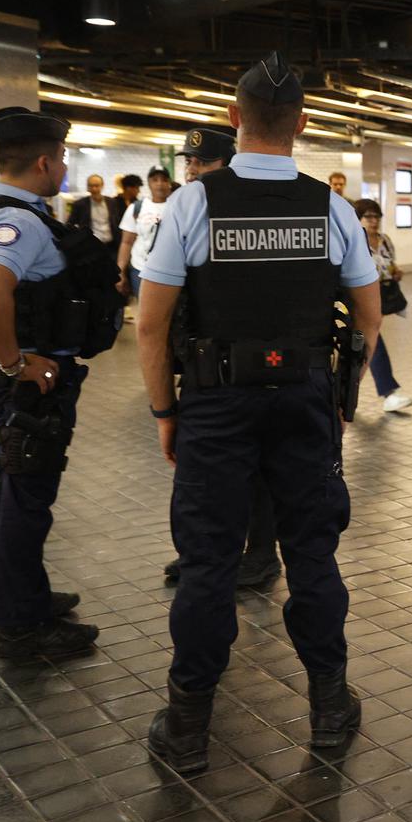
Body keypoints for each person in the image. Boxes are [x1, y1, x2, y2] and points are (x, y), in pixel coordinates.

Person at [137, 53, 381, 774]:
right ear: (302, 125)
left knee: (210, 560)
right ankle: (330, 707)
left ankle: (187, 728)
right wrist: (339, 400)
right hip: (303, 398)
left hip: (214, 400)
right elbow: (366, 317)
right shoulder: (331, 206)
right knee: (311, 552)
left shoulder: (191, 203)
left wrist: (164, 411)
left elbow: (152, 326)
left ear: (234, 120)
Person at [0, 107, 124, 659]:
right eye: (64, 159)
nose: (66, 168)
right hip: (30, 386)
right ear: (45, 161)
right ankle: (23, 627)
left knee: (11, 490)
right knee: (27, 497)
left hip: (18, 379)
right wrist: (16, 364)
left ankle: (14, 597)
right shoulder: (19, 221)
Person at [159, 127, 282, 590]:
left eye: (202, 163)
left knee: (256, 469)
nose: (191, 170)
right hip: (204, 362)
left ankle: (260, 554)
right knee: (209, 471)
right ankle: (207, 553)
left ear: (228, 163)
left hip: (255, 363)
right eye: (188, 162)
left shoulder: (244, 207)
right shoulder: (187, 206)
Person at [355, 198, 412, 412]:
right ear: (358, 218)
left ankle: (342, 392)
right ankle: (389, 393)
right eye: (368, 216)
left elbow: (390, 264)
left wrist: (396, 272)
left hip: (379, 296)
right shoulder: (353, 240)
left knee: (360, 348)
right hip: (357, 299)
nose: (373, 221)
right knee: (373, 342)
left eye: (376, 216)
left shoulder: (385, 240)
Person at [117, 166, 173, 300]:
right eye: (155, 180)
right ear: (149, 183)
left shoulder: (176, 206)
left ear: (169, 183)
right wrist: (120, 272)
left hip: (169, 270)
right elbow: (126, 242)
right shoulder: (137, 207)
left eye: (164, 180)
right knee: (145, 312)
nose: (160, 184)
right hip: (140, 269)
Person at [66, 174, 124, 258]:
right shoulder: (80, 204)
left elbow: (117, 222)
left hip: (111, 246)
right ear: (87, 187)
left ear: (102, 186)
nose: (94, 189)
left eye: (97, 186)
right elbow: (70, 224)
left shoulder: (112, 202)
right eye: (91, 186)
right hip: (90, 247)